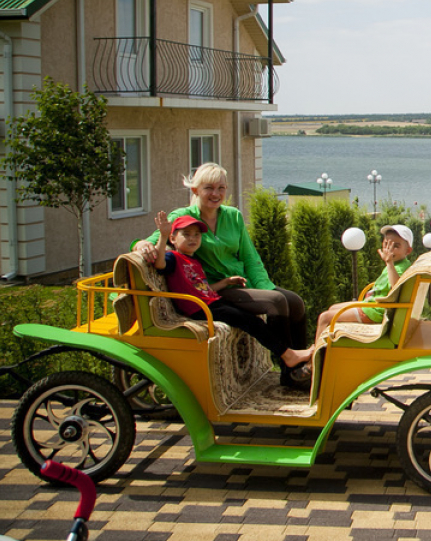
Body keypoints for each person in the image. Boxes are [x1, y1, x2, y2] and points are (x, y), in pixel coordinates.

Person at [133, 163, 311, 389]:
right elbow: (154, 239)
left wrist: (266, 286)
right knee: (276, 303)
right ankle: (290, 371)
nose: (215, 194)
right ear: (195, 190)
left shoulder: (233, 216)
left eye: (221, 188)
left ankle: (301, 369)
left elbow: (249, 256)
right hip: (213, 288)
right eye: (209, 188)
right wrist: (140, 244)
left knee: (294, 301)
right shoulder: (183, 216)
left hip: (237, 282)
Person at [152, 212, 313, 384]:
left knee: (255, 319)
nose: (193, 239)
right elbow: (160, 264)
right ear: (173, 238)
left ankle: (291, 358)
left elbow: (204, 289)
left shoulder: (194, 262)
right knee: (253, 322)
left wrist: (226, 282)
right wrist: (162, 236)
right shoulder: (173, 258)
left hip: (210, 302)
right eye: (186, 234)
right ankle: (289, 356)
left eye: (197, 235)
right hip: (200, 309)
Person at [312, 223, 415, 339]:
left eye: (396, 246)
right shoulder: (396, 263)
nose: (389, 250)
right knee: (332, 308)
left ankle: (315, 353)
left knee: (324, 318)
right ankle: (330, 346)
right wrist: (390, 263)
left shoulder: (400, 267)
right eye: (386, 244)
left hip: (375, 312)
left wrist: (389, 263)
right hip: (371, 306)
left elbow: (397, 287)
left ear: (408, 251)